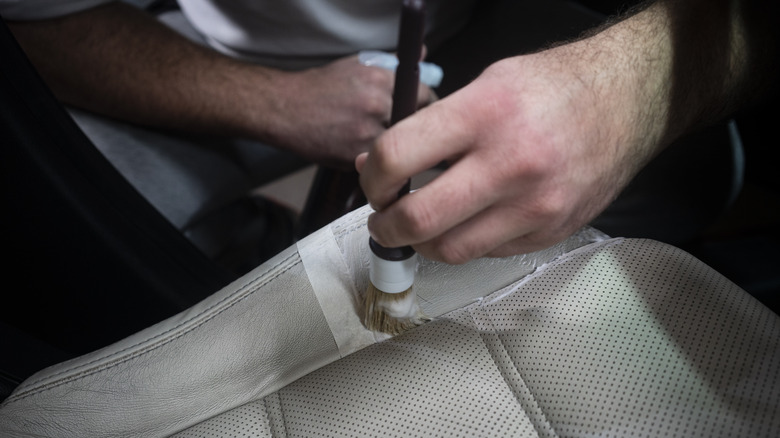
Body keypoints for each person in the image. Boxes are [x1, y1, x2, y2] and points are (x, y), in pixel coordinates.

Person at [357, 0, 778, 265]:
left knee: (702, 169)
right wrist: (288, 100)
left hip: (454, 23)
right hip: (296, 73)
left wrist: (618, 95)